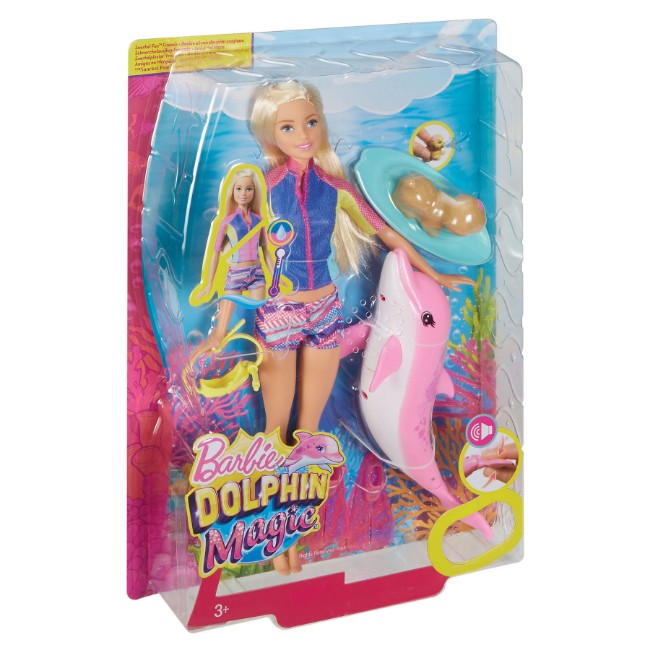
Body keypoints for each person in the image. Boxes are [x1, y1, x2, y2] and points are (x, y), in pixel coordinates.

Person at [250, 81, 473, 575]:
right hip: (280, 311)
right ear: (270, 134)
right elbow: (234, 251)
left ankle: (295, 536)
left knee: (309, 433)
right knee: (273, 430)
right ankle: (268, 536)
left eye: (311, 122)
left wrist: (433, 274)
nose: (304, 134)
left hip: (325, 310)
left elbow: (386, 232)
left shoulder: (337, 189)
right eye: (288, 127)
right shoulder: (261, 188)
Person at [191, 165, 273, 360]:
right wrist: (208, 284)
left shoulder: (259, 219)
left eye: (248, 189)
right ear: (232, 191)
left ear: (254, 192)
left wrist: (277, 280)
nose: (243, 193)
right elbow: (215, 254)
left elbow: (266, 251)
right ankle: (193, 363)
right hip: (235, 275)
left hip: (257, 274)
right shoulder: (226, 222)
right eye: (239, 188)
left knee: (262, 324)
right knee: (218, 334)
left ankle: (259, 359)